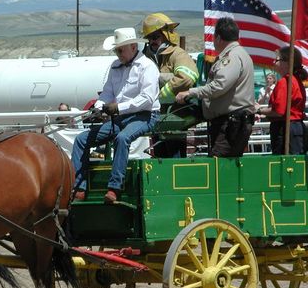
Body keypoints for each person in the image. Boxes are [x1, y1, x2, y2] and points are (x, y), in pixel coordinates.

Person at [71, 27, 160, 203]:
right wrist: (98, 107)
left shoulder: (148, 67)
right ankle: (79, 187)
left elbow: (147, 99)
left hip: (145, 116)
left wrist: (118, 107)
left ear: (133, 47)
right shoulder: (115, 66)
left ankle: (114, 187)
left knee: (122, 138)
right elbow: (107, 93)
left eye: (120, 49)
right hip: (120, 117)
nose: (118, 53)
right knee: (81, 140)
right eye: (116, 50)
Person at [175, 17, 255, 157]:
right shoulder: (241, 54)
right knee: (226, 167)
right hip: (234, 122)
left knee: (219, 168)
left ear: (218, 38)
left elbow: (219, 86)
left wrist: (191, 92)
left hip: (231, 124)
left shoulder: (232, 58)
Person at [142, 12, 199, 158]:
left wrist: (161, 92)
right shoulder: (146, 57)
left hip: (176, 118)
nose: (152, 41)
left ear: (166, 35)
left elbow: (187, 77)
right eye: (150, 38)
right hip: (156, 118)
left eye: (156, 37)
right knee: (160, 159)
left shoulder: (177, 54)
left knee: (175, 159)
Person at [255, 46, 308, 154]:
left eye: (277, 59)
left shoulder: (285, 82)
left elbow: (279, 111)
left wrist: (258, 109)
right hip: (296, 127)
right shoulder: (295, 80)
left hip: (286, 129)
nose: (274, 62)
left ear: (287, 63)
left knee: (285, 164)